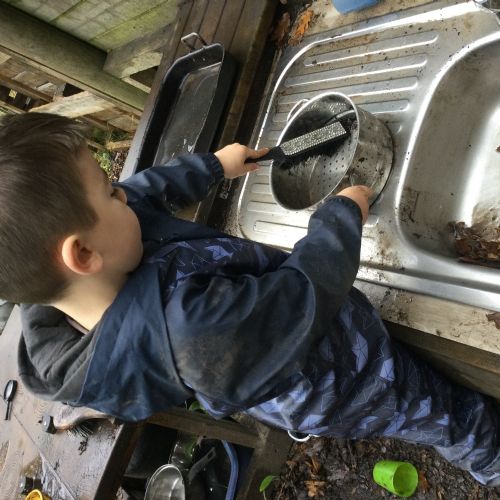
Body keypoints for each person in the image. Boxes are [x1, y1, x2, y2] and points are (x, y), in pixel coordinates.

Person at [1, 113, 498, 487]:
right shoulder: (188, 331)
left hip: (305, 336)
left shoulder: (82, 273)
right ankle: (491, 460)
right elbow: (301, 298)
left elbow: (143, 192)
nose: (123, 195)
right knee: (444, 415)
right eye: (109, 192)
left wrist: (212, 166)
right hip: (340, 375)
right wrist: (339, 219)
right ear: (83, 254)